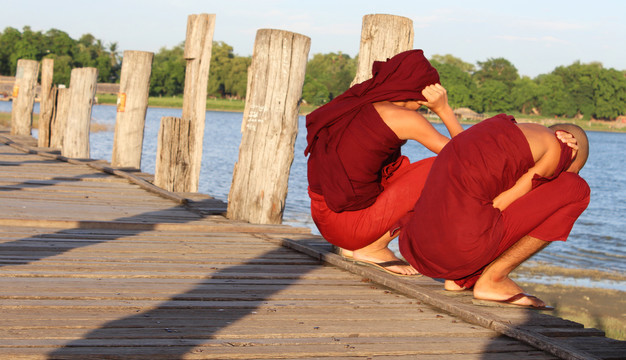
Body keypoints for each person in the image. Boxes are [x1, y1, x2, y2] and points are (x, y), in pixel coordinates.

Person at [398, 114, 590, 309]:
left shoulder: (499, 130)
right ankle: (494, 279)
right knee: (576, 188)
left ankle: (462, 278)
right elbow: (504, 202)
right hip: (456, 250)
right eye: (577, 168)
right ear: (571, 149)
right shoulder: (556, 149)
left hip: (417, 247)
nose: (570, 172)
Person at [305, 49, 464, 276]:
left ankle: (363, 244)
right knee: (444, 168)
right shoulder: (404, 118)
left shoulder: (358, 102)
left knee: (406, 170)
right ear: (419, 95)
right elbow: (466, 156)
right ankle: (373, 246)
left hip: (325, 218)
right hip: (349, 227)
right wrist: (444, 110)